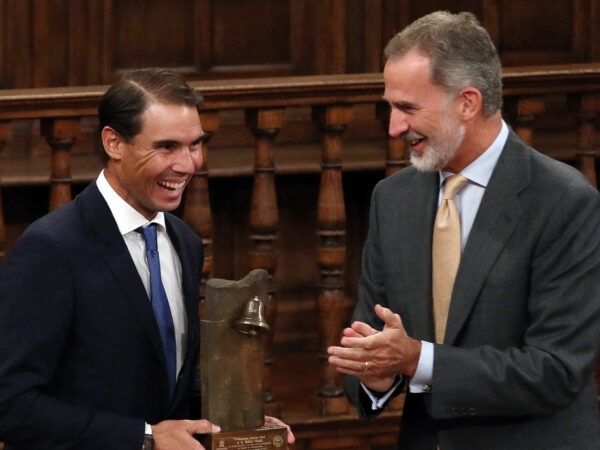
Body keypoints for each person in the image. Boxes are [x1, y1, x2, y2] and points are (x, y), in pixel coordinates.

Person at [328, 11, 600, 450]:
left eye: (407, 108)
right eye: (390, 107)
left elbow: (556, 369)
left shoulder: (564, 201)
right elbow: (372, 336)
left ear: (467, 103)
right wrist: (375, 376)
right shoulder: (392, 199)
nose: (395, 127)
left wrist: (418, 359)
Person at [0, 68, 294, 449]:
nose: (188, 164)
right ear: (114, 143)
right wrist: (145, 438)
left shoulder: (184, 242)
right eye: (167, 147)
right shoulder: (52, 249)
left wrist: (242, 421)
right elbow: (10, 403)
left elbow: (169, 383)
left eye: (195, 145)